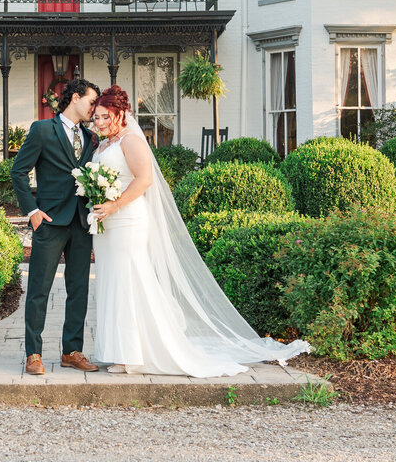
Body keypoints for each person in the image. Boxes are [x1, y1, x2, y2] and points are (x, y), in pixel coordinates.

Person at [88, 85, 310, 377]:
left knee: (131, 283)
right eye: (96, 118)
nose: (100, 123)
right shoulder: (104, 145)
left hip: (128, 220)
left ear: (121, 114)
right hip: (108, 224)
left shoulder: (131, 141)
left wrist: (114, 206)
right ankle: (117, 349)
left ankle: (134, 354)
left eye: (105, 117)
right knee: (112, 282)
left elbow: (144, 180)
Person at [10, 77, 102, 376]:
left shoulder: (90, 138)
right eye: (91, 102)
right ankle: (33, 354)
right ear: (75, 97)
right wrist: (32, 211)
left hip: (81, 221)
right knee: (39, 289)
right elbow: (19, 171)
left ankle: (71, 351)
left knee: (79, 289)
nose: (94, 108)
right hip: (49, 221)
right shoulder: (42, 130)